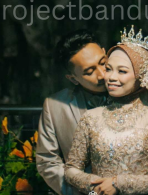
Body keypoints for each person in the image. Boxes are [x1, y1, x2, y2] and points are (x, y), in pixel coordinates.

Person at [64, 27, 148, 195]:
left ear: (141, 76)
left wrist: (119, 183)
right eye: (108, 69)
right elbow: (71, 169)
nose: (110, 77)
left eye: (122, 71)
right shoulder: (91, 117)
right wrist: (96, 186)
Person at [37, 29, 110, 195]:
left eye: (103, 62)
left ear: (106, 53)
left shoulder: (136, 94)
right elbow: (47, 161)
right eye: (89, 71)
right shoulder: (54, 106)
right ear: (73, 79)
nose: (102, 74)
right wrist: (87, 190)